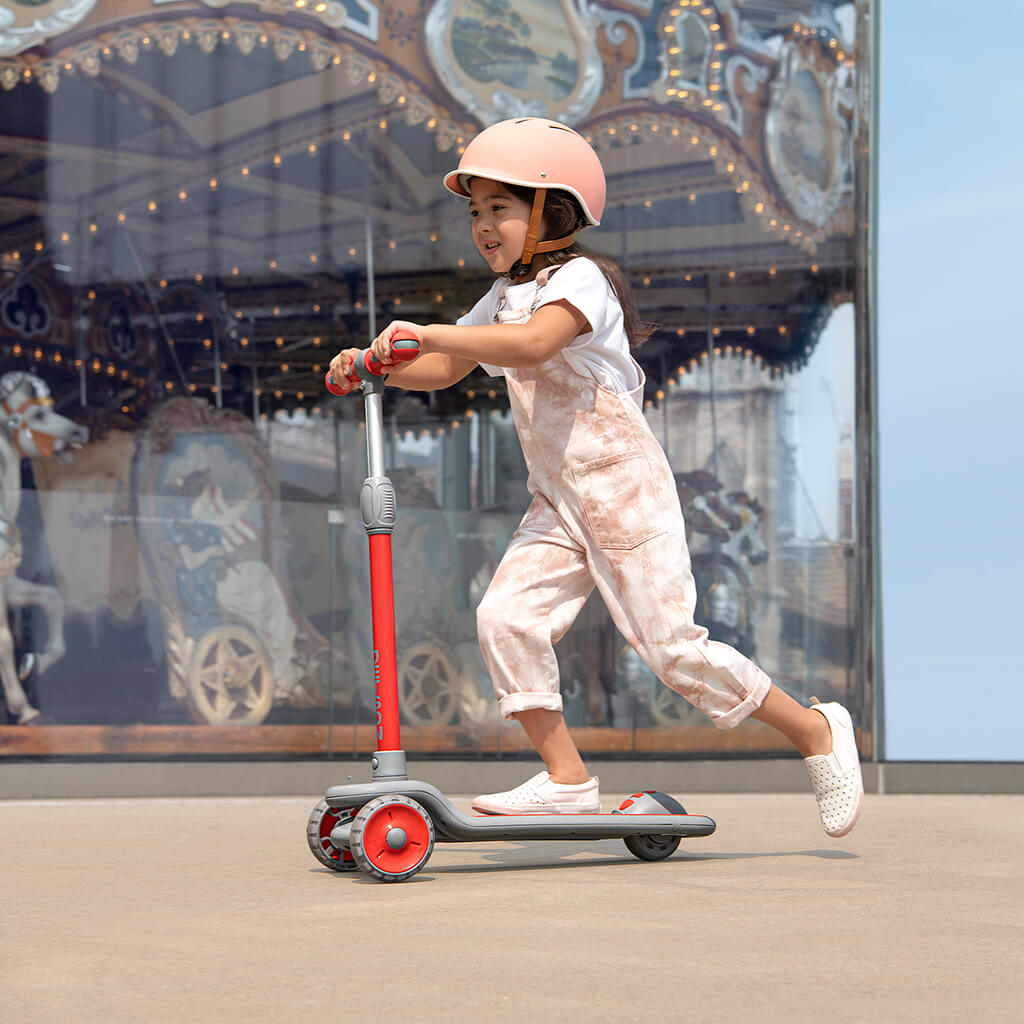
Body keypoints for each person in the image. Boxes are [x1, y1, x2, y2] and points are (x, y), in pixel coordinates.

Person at [329, 118, 863, 838]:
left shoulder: (581, 281)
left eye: (500, 209)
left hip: (622, 489)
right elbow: (447, 367)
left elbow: (531, 344)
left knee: (673, 648)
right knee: (507, 619)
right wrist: (375, 364)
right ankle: (567, 779)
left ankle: (815, 731)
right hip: (559, 500)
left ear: (553, 210)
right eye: (476, 212)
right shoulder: (504, 294)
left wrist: (430, 333)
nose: (484, 226)